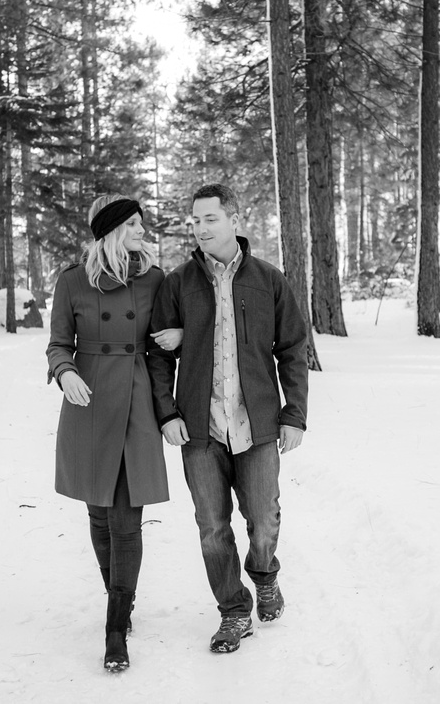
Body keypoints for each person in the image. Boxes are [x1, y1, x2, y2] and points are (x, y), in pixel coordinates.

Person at [147, 183, 309, 654]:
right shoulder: (177, 283)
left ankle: (264, 574)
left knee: (263, 517)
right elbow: (158, 356)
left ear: (234, 220)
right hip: (200, 428)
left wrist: (293, 414)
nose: (199, 228)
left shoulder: (268, 280)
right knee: (212, 527)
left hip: (255, 423)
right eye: (194, 221)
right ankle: (234, 611)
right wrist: (167, 413)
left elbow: (293, 351)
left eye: (209, 219)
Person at [46, 194, 182, 672]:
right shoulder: (72, 282)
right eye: (133, 225)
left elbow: (166, 339)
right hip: (89, 401)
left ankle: (115, 628)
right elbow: (59, 343)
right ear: (109, 232)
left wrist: (179, 337)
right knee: (99, 514)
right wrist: (65, 373)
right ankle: (118, 599)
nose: (142, 231)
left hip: (137, 400)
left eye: (142, 224)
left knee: (127, 519)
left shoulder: (155, 279)